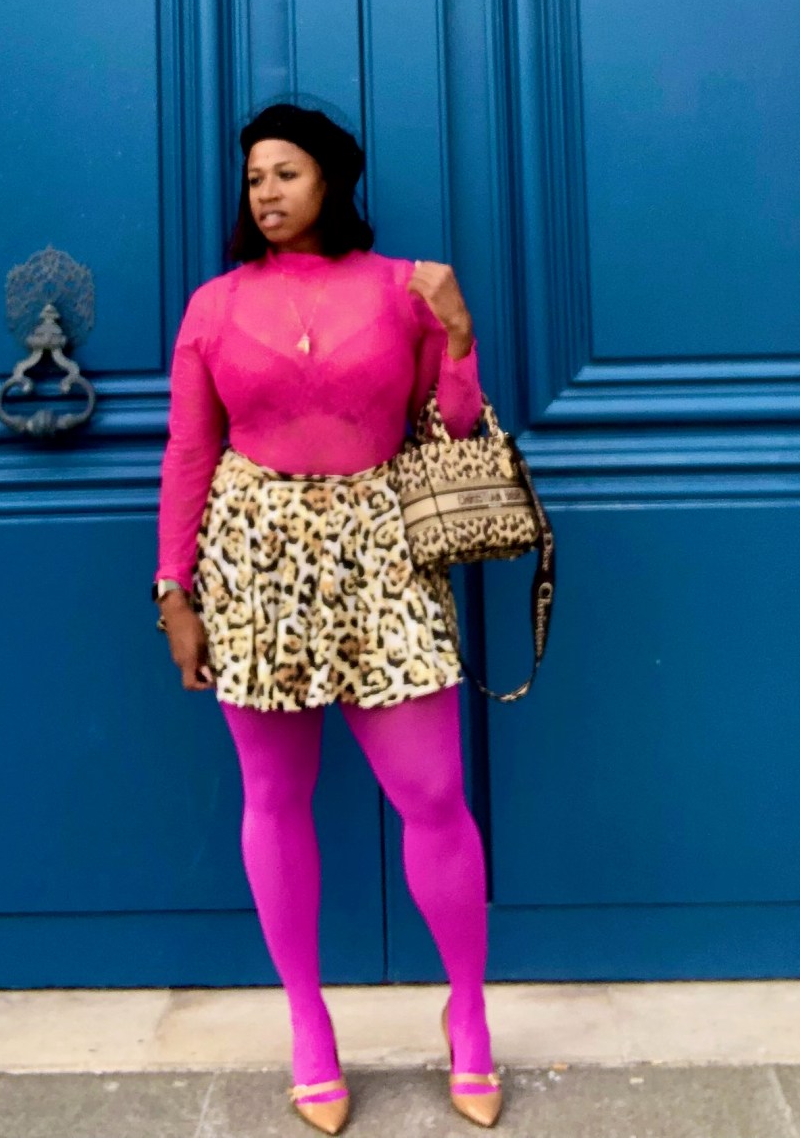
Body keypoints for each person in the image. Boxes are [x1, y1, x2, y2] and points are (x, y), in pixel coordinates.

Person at [154, 102, 502, 1132]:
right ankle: (307, 1021)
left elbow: (453, 427)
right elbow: (189, 450)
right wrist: (174, 589)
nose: (265, 191)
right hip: (253, 560)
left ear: (332, 180)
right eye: (254, 175)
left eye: (287, 172)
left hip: (383, 551)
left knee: (433, 792)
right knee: (273, 794)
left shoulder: (404, 288)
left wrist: (458, 331)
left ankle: (469, 1011)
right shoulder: (214, 305)